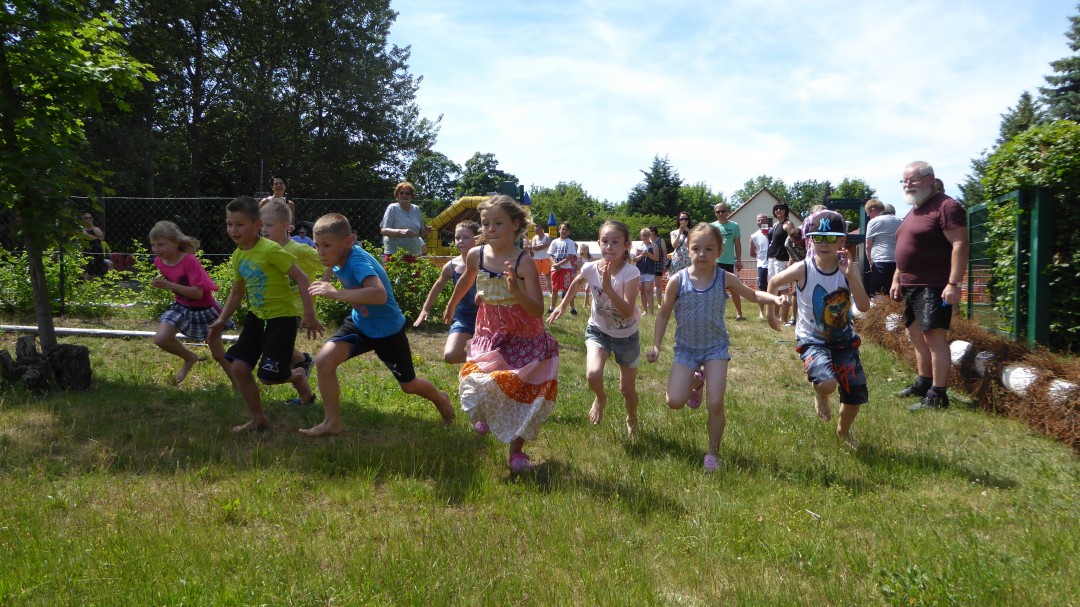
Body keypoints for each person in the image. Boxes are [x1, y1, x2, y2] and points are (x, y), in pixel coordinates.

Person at [299, 213, 455, 436]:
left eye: (326, 245)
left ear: (348, 241)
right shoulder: (338, 256)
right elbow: (330, 270)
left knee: (409, 386)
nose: (320, 252)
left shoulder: (357, 261)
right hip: (360, 324)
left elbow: (379, 295)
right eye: (317, 245)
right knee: (324, 360)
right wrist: (317, 298)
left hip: (387, 330)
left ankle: (441, 400)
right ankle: (332, 422)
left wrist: (336, 293)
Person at [646, 223, 784, 472]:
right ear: (688, 250)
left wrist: (774, 298)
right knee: (675, 401)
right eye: (696, 248)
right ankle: (696, 382)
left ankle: (713, 452)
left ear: (719, 251)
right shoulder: (678, 280)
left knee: (715, 403)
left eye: (709, 249)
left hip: (715, 349)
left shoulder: (725, 278)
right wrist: (656, 346)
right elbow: (664, 314)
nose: (702, 254)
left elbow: (752, 296)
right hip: (686, 349)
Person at [443, 195, 559, 473]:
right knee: (476, 375)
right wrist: (451, 304)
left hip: (524, 334)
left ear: (515, 225)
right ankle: (482, 412)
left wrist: (516, 291)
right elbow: (466, 281)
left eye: (498, 223)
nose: (490, 229)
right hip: (490, 329)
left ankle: (516, 453)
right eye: (485, 224)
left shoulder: (523, 262)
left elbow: (537, 309)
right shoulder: (476, 255)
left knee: (521, 392)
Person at [206, 196, 323, 433]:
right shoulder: (239, 255)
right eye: (229, 224)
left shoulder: (271, 250)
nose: (233, 230)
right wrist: (221, 319)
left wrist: (309, 314)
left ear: (257, 225)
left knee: (269, 377)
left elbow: (301, 278)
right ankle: (258, 419)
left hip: (282, 319)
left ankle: (298, 375)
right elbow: (237, 292)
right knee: (239, 368)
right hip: (257, 318)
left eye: (240, 224)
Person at [767, 210, 871, 450]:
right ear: (809, 239)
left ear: (842, 241)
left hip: (845, 340)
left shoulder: (848, 268)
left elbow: (864, 306)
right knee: (827, 384)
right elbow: (773, 282)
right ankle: (820, 392)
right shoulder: (803, 269)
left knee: (854, 398)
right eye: (818, 237)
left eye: (832, 238)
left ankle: (843, 433)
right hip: (812, 340)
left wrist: (850, 276)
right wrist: (772, 316)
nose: (825, 243)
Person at [549, 221, 641, 437]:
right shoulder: (591, 267)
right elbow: (577, 282)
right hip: (598, 331)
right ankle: (600, 397)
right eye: (605, 241)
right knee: (592, 375)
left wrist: (608, 287)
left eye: (615, 242)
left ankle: (632, 417)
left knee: (627, 390)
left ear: (626, 245)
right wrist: (563, 305)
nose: (609, 247)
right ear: (599, 243)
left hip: (626, 337)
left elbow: (628, 311)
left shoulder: (631, 273)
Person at [891, 161, 968, 411]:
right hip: (911, 283)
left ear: (930, 179)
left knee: (934, 338)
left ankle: (938, 395)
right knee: (915, 335)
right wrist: (896, 277)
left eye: (912, 180)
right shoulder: (915, 210)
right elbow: (906, 247)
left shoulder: (947, 206)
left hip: (934, 284)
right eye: (904, 181)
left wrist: (954, 283)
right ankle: (924, 383)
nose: (907, 185)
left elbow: (960, 244)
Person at [147, 220, 234, 385]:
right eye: (153, 245)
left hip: (204, 309)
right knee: (161, 339)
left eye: (161, 244)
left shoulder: (189, 261)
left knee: (218, 355)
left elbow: (198, 293)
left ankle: (239, 387)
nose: (156, 249)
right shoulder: (160, 261)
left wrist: (168, 285)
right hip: (181, 306)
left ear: (175, 242)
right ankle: (189, 358)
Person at [260, 199, 324, 404]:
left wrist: (326, 281)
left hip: (294, 309)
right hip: (272, 308)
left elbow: (329, 261)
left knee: (273, 347)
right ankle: (301, 361)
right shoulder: (264, 249)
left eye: (268, 226)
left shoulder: (301, 250)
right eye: (261, 225)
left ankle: (301, 365)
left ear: (287, 227)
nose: (264, 230)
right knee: (268, 343)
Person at [414, 221, 480, 363]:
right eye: (457, 238)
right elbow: (437, 286)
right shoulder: (451, 266)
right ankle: (482, 361)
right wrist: (425, 308)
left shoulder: (486, 262)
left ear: (477, 239)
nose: (460, 241)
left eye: (466, 237)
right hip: (463, 318)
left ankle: (488, 361)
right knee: (451, 356)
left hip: (486, 316)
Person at [379, 181, 432, 262]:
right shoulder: (392, 208)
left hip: (414, 254)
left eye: (407, 193)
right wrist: (400, 232)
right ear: (397, 195)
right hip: (395, 255)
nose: (404, 195)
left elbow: (419, 233)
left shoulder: (416, 209)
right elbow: (384, 230)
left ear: (411, 195)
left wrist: (425, 231)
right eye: (401, 193)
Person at [711, 203, 745, 321]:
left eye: (723, 211)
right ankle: (715, 313)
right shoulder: (712, 227)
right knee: (715, 289)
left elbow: (737, 244)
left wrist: (739, 259)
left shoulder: (734, 226)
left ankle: (739, 313)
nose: (720, 213)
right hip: (715, 262)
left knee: (733, 288)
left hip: (729, 262)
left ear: (728, 212)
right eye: (717, 212)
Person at [864, 198, 903, 296]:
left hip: (879, 261)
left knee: (877, 296)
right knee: (893, 295)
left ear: (873, 210)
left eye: (868, 214)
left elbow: (868, 246)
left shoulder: (873, 222)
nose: (869, 217)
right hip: (896, 263)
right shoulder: (900, 221)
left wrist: (870, 262)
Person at [767, 203, 796, 325]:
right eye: (776, 209)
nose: (778, 210)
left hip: (782, 259)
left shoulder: (788, 224)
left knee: (784, 290)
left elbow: (793, 241)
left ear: (786, 211)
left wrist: (791, 258)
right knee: (774, 289)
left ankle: (784, 318)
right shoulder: (775, 225)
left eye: (781, 208)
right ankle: (776, 315)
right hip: (772, 259)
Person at [546, 222, 577, 315]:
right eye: (562, 229)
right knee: (554, 289)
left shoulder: (570, 242)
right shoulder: (554, 242)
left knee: (567, 289)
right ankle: (552, 308)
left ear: (569, 232)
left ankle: (572, 308)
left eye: (566, 230)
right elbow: (550, 255)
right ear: (559, 230)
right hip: (555, 269)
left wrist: (560, 264)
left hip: (566, 268)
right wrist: (555, 264)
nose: (564, 231)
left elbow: (570, 256)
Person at [748, 213, 771, 319]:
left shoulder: (773, 231)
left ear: (767, 220)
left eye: (762, 220)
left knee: (775, 288)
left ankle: (774, 312)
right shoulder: (754, 236)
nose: (760, 222)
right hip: (762, 266)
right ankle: (761, 312)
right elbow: (752, 253)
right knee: (762, 289)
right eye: (758, 220)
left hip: (774, 264)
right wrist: (761, 258)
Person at [632, 227, 659, 315]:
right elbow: (634, 259)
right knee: (642, 291)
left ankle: (651, 311)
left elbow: (656, 258)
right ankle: (645, 311)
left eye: (646, 235)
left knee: (648, 291)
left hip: (650, 271)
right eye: (643, 235)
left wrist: (647, 254)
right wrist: (641, 256)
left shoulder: (653, 245)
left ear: (650, 236)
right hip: (639, 271)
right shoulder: (638, 247)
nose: (645, 237)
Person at [80, 212, 108, 279]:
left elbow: (101, 236)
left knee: (98, 271)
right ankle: (87, 285)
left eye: (90, 218)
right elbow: (86, 236)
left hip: (98, 252)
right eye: (87, 218)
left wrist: (92, 226)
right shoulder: (82, 229)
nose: (89, 219)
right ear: (83, 220)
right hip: (88, 252)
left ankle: (94, 286)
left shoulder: (96, 228)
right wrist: (96, 237)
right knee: (90, 271)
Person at [527, 228, 553, 296]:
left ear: (541, 229)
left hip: (545, 258)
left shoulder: (547, 235)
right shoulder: (534, 237)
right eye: (535, 230)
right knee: (535, 277)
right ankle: (536, 293)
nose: (536, 231)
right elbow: (533, 247)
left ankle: (551, 293)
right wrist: (541, 246)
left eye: (537, 229)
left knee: (548, 277)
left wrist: (538, 247)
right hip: (536, 259)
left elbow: (548, 244)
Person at [650, 226, 667, 307]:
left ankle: (659, 303)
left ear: (655, 231)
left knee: (658, 285)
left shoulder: (660, 240)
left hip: (658, 264)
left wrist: (665, 264)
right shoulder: (647, 241)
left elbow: (664, 253)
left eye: (652, 230)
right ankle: (649, 303)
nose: (651, 232)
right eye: (650, 231)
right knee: (648, 285)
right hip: (648, 265)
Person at [576, 243, 592, 309]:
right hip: (583, 275)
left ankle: (585, 304)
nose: (584, 250)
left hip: (590, 275)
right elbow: (578, 268)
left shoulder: (591, 258)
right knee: (586, 289)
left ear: (588, 250)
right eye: (582, 249)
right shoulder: (580, 258)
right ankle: (587, 303)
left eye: (585, 249)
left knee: (587, 289)